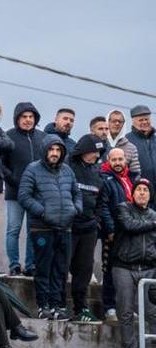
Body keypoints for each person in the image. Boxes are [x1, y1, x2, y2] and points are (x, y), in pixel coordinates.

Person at [18, 137, 80, 320]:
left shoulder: (68, 170)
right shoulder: (33, 169)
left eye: (58, 150)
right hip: (42, 229)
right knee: (43, 268)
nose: (54, 153)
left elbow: (77, 193)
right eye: (51, 149)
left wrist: (76, 209)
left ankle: (58, 307)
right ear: (45, 150)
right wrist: (43, 212)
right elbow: (24, 196)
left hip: (65, 228)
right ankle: (43, 306)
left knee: (61, 269)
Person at [113, 179, 156, 348]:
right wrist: (154, 223)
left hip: (148, 270)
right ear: (132, 193)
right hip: (124, 267)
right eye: (138, 189)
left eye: (145, 190)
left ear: (150, 194)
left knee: (153, 313)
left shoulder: (154, 214)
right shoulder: (123, 208)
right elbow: (130, 226)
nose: (142, 193)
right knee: (126, 312)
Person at [0, 101, 44, 273]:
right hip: (15, 192)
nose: (27, 120)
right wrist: (12, 179)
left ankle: (31, 265)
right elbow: (1, 164)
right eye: (24, 117)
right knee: (13, 229)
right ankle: (14, 265)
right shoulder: (7, 136)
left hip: (36, 194)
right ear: (17, 119)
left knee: (33, 230)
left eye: (31, 117)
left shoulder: (43, 137)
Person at [67, 135, 107, 322]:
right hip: (69, 227)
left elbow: (101, 201)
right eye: (93, 151)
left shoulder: (97, 173)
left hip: (89, 228)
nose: (96, 155)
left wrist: (96, 220)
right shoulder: (68, 168)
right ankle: (59, 305)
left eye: (99, 152)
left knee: (84, 269)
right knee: (62, 267)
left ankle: (81, 308)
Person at [101, 147, 140, 324]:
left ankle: (128, 308)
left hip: (132, 234)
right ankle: (109, 307)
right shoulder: (106, 180)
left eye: (120, 159)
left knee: (130, 272)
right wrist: (109, 230)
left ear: (126, 160)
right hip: (114, 234)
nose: (117, 163)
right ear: (108, 161)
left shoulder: (133, 178)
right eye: (114, 160)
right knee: (109, 271)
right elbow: (103, 207)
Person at [105, 109, 142, 176]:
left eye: (120, 121)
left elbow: (135, 174)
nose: (117, 124)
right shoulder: (99, 144)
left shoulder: (131, 148)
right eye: (114, 121)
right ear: (107, 122)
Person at [132, 106, 156, 181]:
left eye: (146, 119)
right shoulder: (127, 140)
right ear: (133, 121)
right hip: (141, 188)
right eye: (141, 120)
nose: (145, 122)